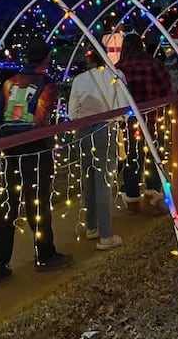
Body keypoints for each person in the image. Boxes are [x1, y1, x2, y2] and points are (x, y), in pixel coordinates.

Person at [0, 38, 72, 283]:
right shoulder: (47, 84)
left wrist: (5, 133)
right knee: (38, 199)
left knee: (9, 201)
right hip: (35, 147)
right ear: (46, 58)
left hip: (11, 148)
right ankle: (44, 253)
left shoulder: (9, 83)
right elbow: (41, 117)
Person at [69, 48, 129, 251]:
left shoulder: (79, 80)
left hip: (83, 131)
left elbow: (72, 113)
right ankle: (106, 235)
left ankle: (91, 226)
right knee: (104, 181)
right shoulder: (116, 76)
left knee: (88, 178)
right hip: (106, 129)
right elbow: (123, 107)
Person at [115, 32, 172, 214]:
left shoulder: (118, 68)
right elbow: (166, 88)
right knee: (154, 155)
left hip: (130, 121)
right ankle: (153, 192)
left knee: (133, 157)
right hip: (154, 119)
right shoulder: (154, 64)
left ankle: (132, 197)